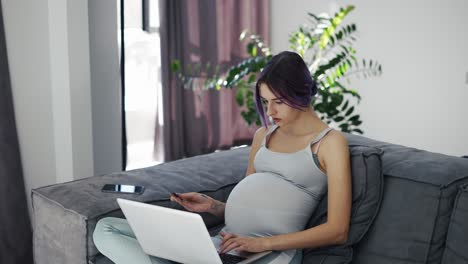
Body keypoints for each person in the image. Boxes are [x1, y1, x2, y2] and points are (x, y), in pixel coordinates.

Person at [93, 51, 352, 264]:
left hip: (268, 254)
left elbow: (337, 230)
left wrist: (262, 243)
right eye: (265, 102)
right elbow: (253, 205)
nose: (270, 111)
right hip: (222, 245)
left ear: (301, 95)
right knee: (106, 229)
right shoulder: (263, 135)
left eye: (279, 102)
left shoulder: (329, 144)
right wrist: (214, 207)